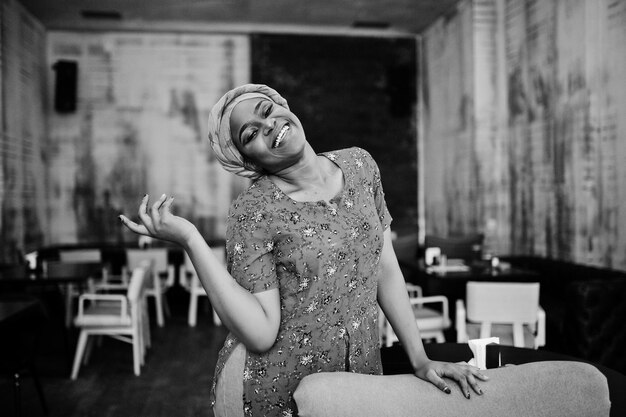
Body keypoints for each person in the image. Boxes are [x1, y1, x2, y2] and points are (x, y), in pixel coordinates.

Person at [119, 84, 488, 417]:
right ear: (249, 162)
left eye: (267, 110)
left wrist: (420, 359)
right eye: (250, 134)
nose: (267, 125)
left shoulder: (361, 166)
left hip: (359, 378)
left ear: (284, 107)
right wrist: (189, 238)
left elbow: (385, 270)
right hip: (277, 392)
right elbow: (261, 332)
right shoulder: (253, 211)